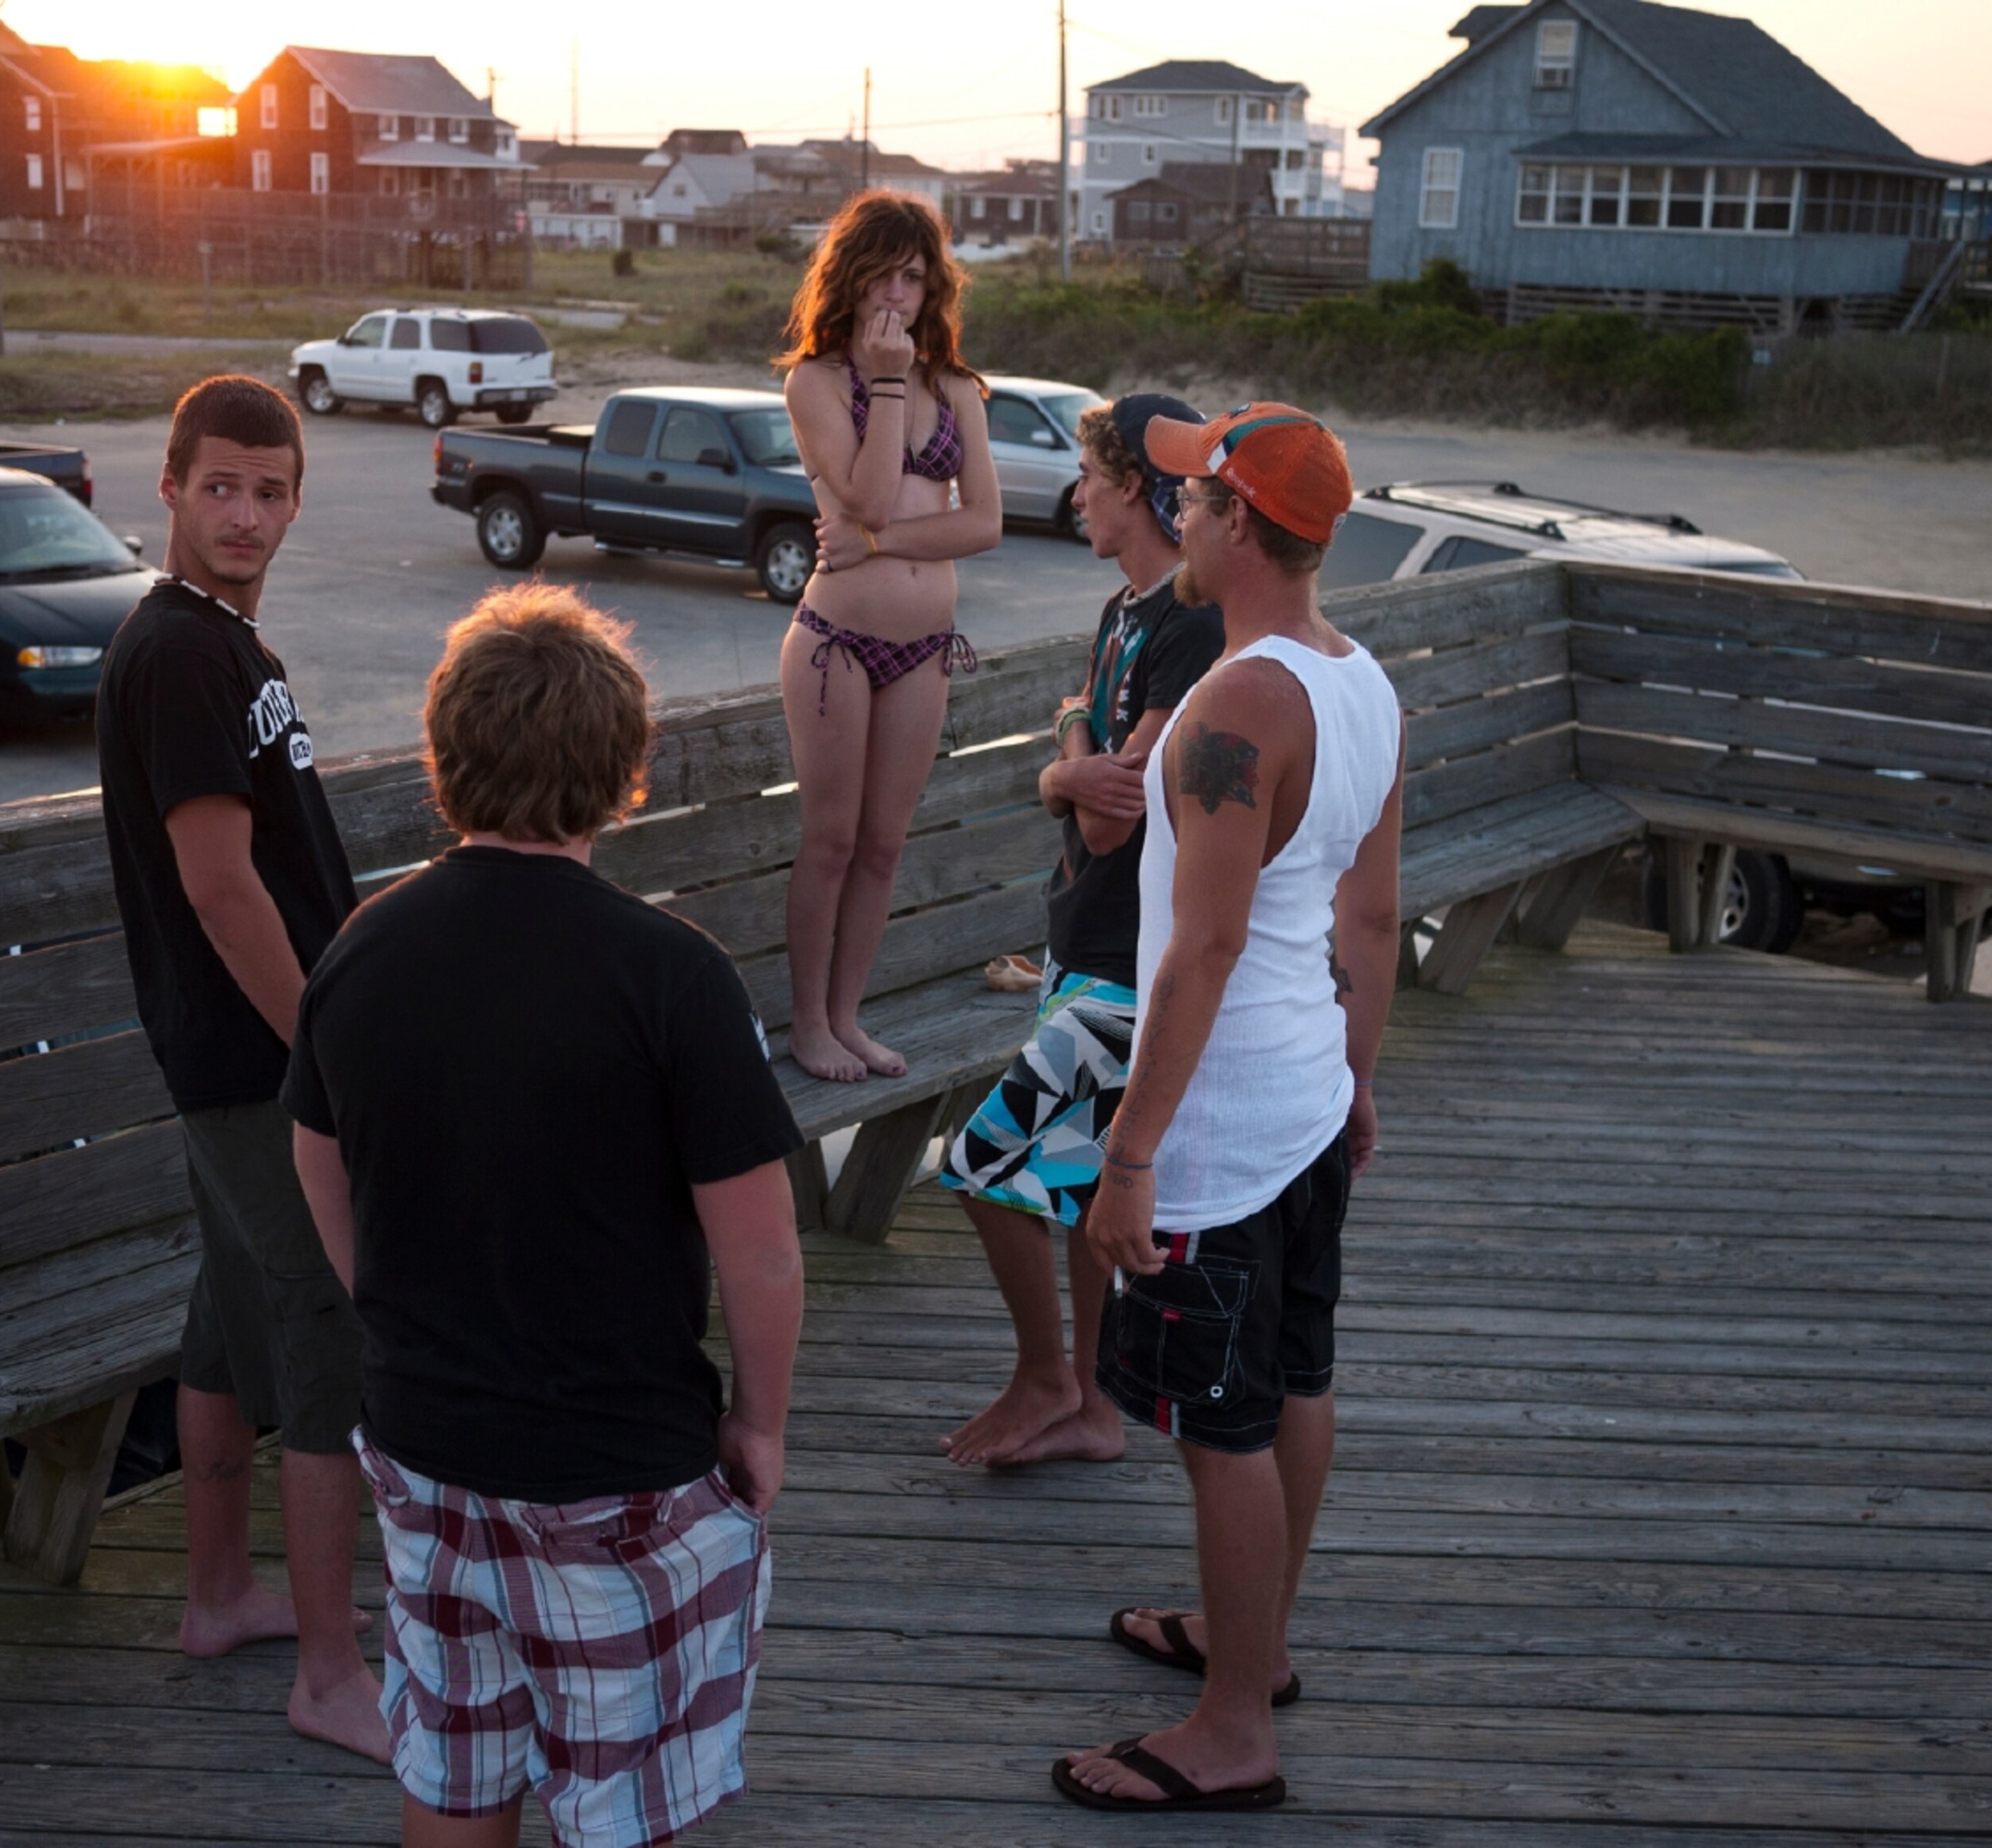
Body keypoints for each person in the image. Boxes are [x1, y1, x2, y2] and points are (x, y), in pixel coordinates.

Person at [284, 585, 808, 1848]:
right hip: (617, 1473)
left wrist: (398, 1316)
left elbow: (316, 1163)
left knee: (454, 1774)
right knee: (625, 1801)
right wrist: (762, 1422)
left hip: (427, 1451)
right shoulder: (669, 974)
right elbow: (763, 1248)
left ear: (444, 755)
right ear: (624, 771)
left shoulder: (362, 947)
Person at [1053, 404, 1406, 1814]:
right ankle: (1251, 1638)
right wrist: (1359, 1075)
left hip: (1222, 1121)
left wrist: (1128, 1155)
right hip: (1309, 1092)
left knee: (1224, 1423)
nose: (1175, 511)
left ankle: (1229, 1724)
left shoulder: (1240, 703)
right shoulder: (1360, 677)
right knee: (1295, 1377)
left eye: (1194, 495)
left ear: (1241, 522)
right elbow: (1370, 915)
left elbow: (1197, 949)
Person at [92, 375, 387, 1761]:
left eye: (271, 491)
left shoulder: (226, 646)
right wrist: (326, 1046)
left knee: (225, 1316)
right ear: (167, 488)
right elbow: (220, 889)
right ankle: (330, 1670)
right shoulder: (178, 656)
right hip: (253, 1058)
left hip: (247, 1052)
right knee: (328, 1325)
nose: (246, 514)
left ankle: (218, 1591)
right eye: (220, 486)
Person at [937, 393, 1224, 1469]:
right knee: (1077, 1180)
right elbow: (1085, 738)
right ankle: (1096, 1409)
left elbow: (1111, 819)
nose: (1077, 496)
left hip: (1122, 963)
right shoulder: (1127, 612)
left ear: (1144, 495)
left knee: (976, 1165)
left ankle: (1047, 1376)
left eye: (1094, 481)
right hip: (1082, 942)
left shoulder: (1190, 626)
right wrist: (1070, 745)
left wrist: (1061, 770)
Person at [777, 190, 1002, 1083]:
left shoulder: (957, 387)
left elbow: (982, 523)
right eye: (885, 272)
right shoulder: (815, 381)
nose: (900, 294)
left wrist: (877, 544)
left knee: (883, 845)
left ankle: (847, 1015)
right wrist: (881, 379)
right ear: (851, 274)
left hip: (923, 647)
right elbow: (866, 494)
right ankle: (806, 1022)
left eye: (917, 277)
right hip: (837, 641)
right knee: (830, 838)